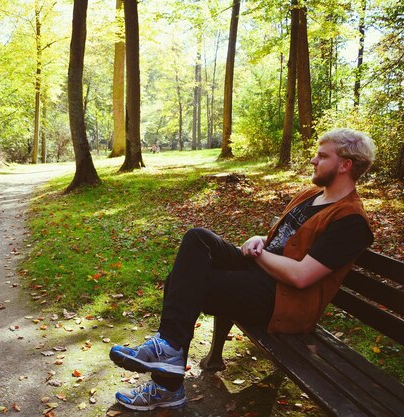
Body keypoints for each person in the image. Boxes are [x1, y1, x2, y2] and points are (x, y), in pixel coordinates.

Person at [109, 128, 376, 411]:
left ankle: (167, 380)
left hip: (281, 300)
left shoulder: (351, 221)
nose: (313, 160)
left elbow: (301, 276)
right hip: (262, 276)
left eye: (322, 156)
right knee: (198, 238)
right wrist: (261, 239)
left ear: (345, 165)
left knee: (184, 282)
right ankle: (170, 352)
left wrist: (260, 255)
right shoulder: (311, 196)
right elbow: (286, 241)